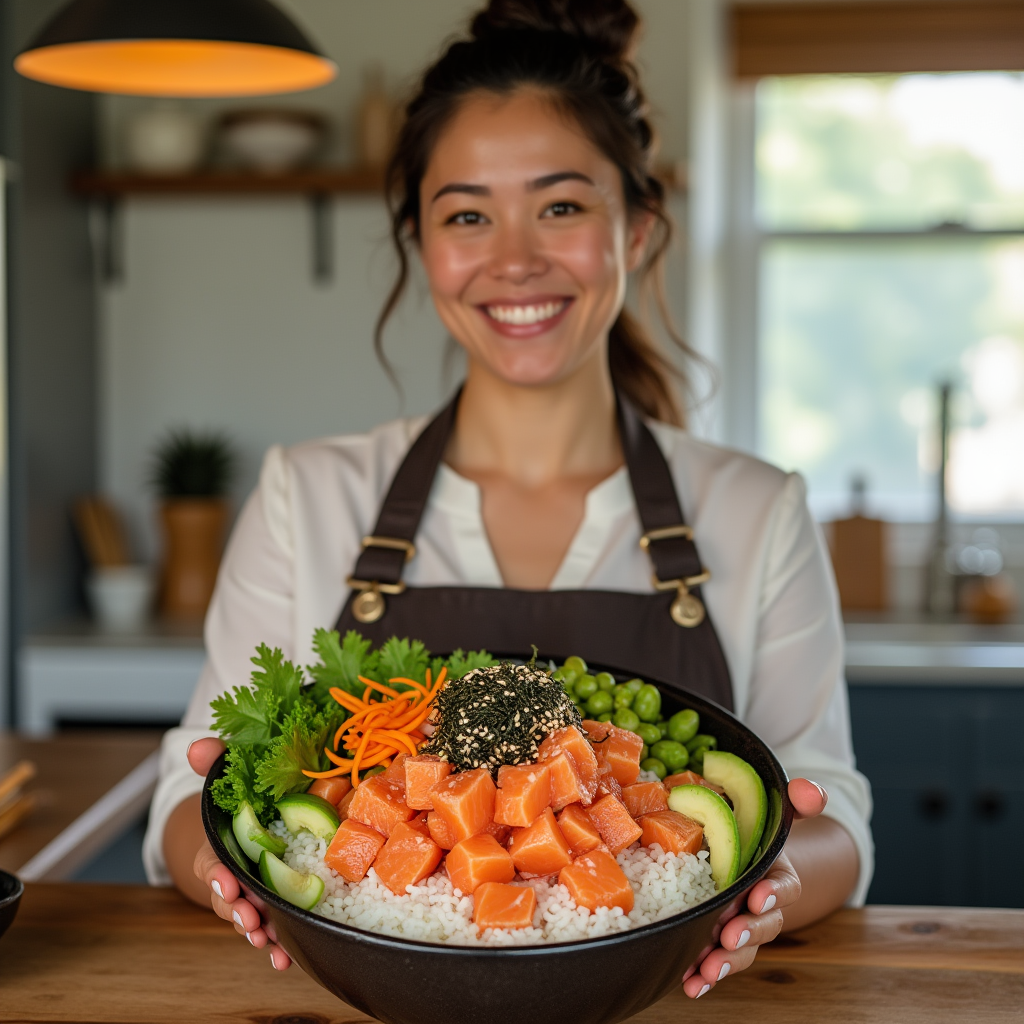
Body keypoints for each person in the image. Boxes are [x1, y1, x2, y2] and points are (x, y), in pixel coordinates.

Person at [144, 0, 871, 1000]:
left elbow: (836, 816)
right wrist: (233, 864)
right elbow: (186, 803)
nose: (514, 258)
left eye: (561, 206)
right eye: (467, 213)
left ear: (639, 228)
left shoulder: (755, 507)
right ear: (421, 242)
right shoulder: (308, 493)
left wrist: (761, 882)